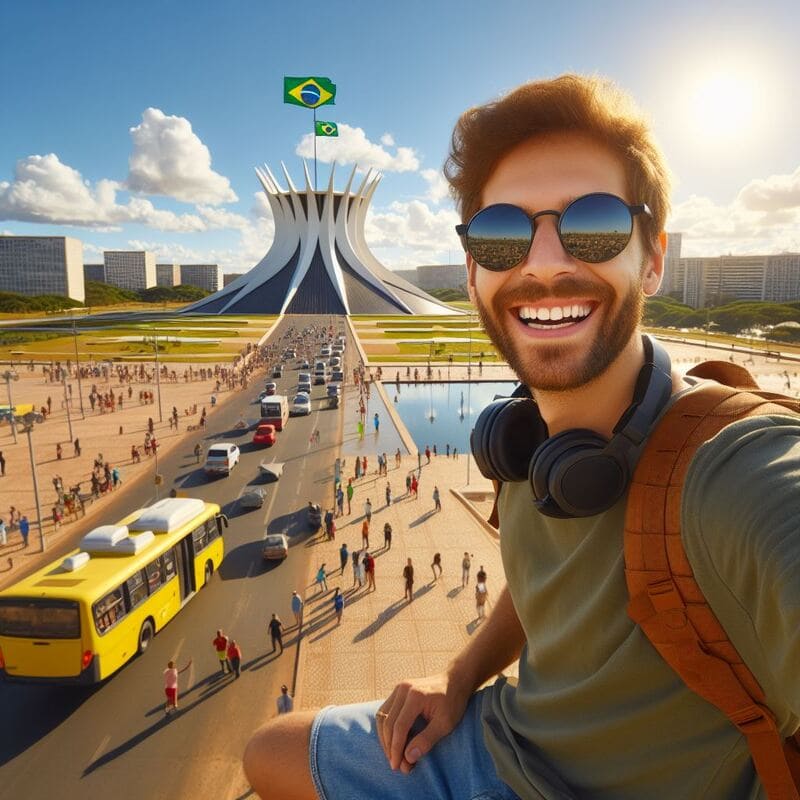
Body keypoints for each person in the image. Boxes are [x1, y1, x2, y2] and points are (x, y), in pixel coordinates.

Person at [244, 75, 800, 800]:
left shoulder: (731, 468)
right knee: (270, 753)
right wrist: (459, 673)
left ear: (654, 257)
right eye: (503, 234)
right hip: (511, 749)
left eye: (593, 223)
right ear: (473, 270)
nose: (542, 262)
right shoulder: (527, 442)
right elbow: (539, 582)